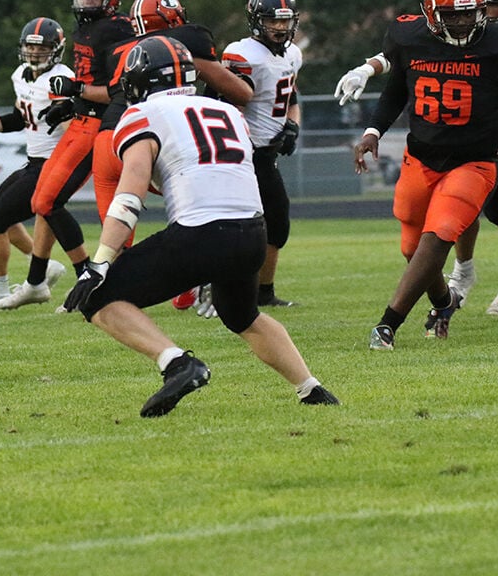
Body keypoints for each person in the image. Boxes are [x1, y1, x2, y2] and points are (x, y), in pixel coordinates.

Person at [60, 35, 338, 416]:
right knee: (243, 315)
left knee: (98, 298)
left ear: (138, 81)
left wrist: (100, 263)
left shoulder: (141, 115)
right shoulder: (227, 113)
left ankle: (177, 363)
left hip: (201, 233)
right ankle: (313, 389)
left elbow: (129, 197)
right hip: (251, 233)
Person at [337, 0, 498, 315]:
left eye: (490, 6)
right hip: (454, 128)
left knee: (497, 207)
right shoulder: (433, 32)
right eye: (482, 5)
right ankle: (463, 270)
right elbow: (400, 60)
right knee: (463, 211)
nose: (472, 18)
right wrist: (366, 70)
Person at [87, 0, 253, 315]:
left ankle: (104, 267)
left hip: (119, 136)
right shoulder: (188, 43)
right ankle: (190, 278)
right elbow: (242, 93)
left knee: (128, 208)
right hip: (191, 145)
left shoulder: (127, 53)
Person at [0, 0, 137, 309]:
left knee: (111, 213)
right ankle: (48, 279)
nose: (85, 4)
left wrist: (79, 90)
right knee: (41, 201)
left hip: (104, 127)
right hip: (82, 122)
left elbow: (122, 89)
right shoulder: (84, 29)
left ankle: (101, 279)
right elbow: (87, 87)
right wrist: (72, 103)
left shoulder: (117, 32)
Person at [0, 17, 73, 305]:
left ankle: (1, 289)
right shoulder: (21, 75)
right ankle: (43, 264)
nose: (34, 55)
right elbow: (19, 120)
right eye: (30, 49)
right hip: (34, 162)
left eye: (42, 49)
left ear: (56, 50)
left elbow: (72, 128)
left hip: (52, 163)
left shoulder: (61, 79)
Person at [221, 0, 305, 307]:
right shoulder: (243, 55)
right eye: (274, 21)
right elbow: (226, 106)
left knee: (276, 223)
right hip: (242, 152)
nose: (281, 28)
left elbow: (291, 96)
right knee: (240, 225)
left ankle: (263, 292)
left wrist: (292, 126)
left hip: (267, 152)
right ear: (257, 20)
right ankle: (216, 288)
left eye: (285, 21)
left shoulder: (292, 54)